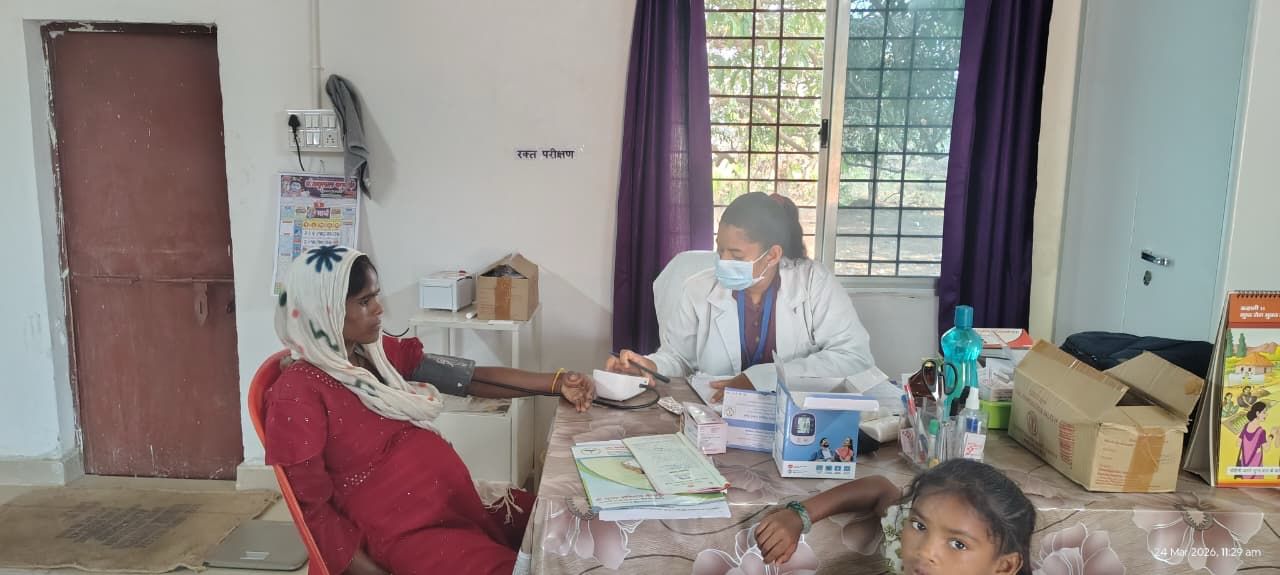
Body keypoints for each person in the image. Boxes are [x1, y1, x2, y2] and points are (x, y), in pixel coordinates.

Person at [264, 246, 595, 575]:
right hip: (405, 535)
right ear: (323, 311)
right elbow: (313, 513)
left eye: (376, 296)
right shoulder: (297, 394)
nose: (379, 308)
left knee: (577, 524)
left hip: (453, 505)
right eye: (365, 301)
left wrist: (556, 383)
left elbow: (467, 378)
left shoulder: (372, 356)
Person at [607, 192, 875, 400]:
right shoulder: (697, 289)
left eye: (736, 255)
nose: (723, 262)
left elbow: (855, 358)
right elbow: (679, 358)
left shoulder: (815, 284)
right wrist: (650, 365)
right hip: (717, 415)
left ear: (772, 255)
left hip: (796, 417)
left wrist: (763, 378)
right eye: (720, 250)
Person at [754, 459, 1035, 575]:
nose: (925, 551)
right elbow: (879, 489)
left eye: (958, 544)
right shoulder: (904, 541)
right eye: (920, 525)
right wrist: (799, 515)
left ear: (1004, 568)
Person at [1236, 401, 1278, 480]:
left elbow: (1238, 443)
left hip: (1244, 465)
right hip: (1256, 464)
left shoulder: (1246, 426)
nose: (1266, 414)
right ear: (1258, 413)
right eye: (1264, 412)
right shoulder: (1261, 431)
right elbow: (1266, 448)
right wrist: (1271, 435)